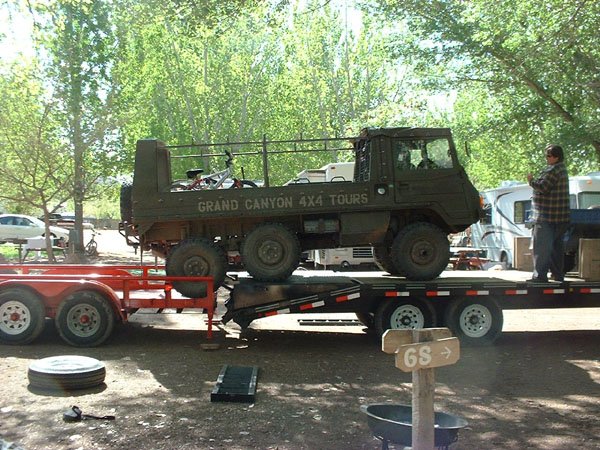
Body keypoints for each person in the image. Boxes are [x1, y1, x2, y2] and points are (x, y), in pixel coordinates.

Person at [526, 144, 570, 282]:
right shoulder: (562, 169)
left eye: (549, 156)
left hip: (547, 216)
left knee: (542, 248)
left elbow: (543, 187)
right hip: (561, 217)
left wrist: (531, 181)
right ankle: (558, 274)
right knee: (557, 248)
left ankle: (540, 276)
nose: (546, 158)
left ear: (556, 157)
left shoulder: (554, 170)